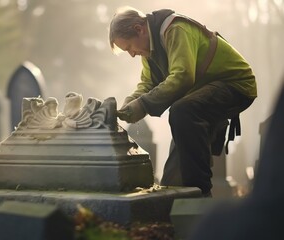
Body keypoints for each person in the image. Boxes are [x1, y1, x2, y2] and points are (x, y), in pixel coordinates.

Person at [108, 6, 257, 196]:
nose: (131, 54)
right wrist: (129, 104)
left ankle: (199, 196)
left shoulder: (175, 29)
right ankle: (176, 200)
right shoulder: (149, 52)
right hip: (201, 95)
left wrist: (143, 105)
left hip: (235, 84)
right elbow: (147, 84)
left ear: (139, 29)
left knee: (182, 112)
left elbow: (183, 76)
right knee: (173, 176)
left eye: (129, 47)